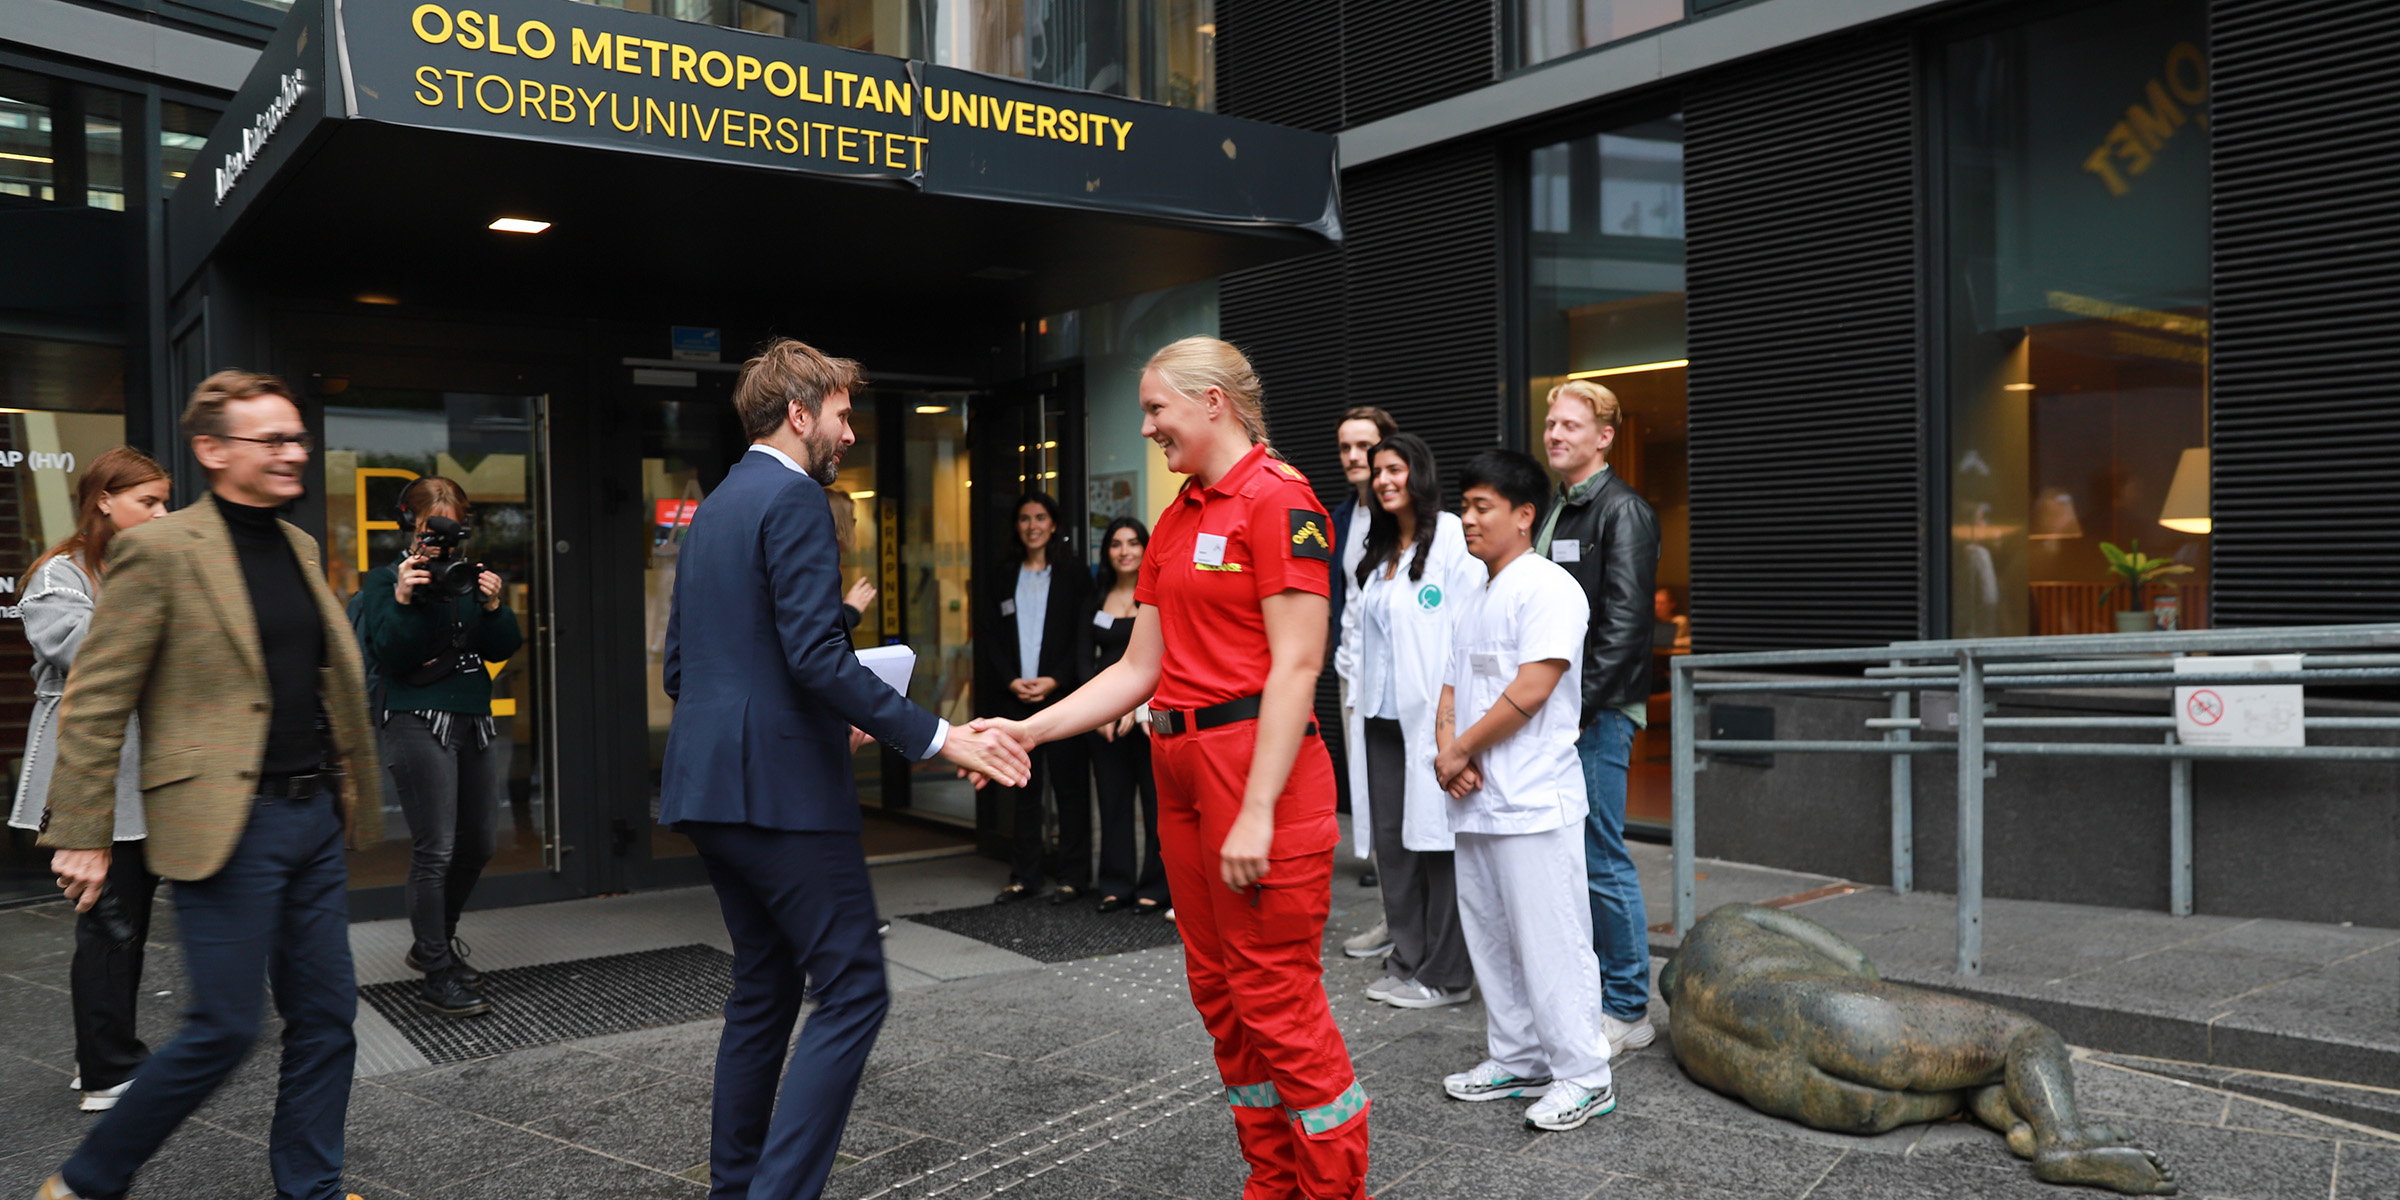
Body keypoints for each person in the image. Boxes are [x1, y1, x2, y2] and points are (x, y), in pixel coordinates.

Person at [976, 336, 1370, 1200]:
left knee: (1277, 1001)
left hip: (1253, 768)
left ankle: (1334, 1190)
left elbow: (1300, 665)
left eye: (1157, 409)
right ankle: (1271, 1184)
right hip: (1182, 768)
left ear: (1213, 404)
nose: (1148, 426)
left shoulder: (1282, 501)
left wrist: (1260, 809)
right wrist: (1028, 732)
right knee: (1222, 1000)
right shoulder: (1180, 515)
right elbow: (1133, 671)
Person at [658, 337, 1026, 1200]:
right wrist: (938, 737)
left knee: (765, 988)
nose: (850, 433)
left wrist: (818, 713)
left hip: (711, 790)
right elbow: (818, 657)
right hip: (782, 794)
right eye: (842, 413)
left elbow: (686, 669)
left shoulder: (713, 508)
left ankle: (735, 1187)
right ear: (798, 412)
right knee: (855, 988)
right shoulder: (793, 501)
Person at [38, 370, 383, 1200]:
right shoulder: (159, 550)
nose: (293, 453)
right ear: (212, 449)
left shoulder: (298, 547)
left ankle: (312, 1188)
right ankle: (87, 1180)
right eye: (272, 440)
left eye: (297, 437)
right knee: (226, 1027)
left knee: (328, 1019)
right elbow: (96, 699)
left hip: (312, 816)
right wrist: (83, 830)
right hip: (227, 819)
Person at [1433, 447, 1617, 1133]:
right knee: (1492, 935)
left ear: (1524, 514)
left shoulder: (1548, 586)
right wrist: (1447, 749)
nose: (1468, 520)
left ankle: (1585, 1073)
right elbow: (1451, 682)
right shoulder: (1475, 591)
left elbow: (1533, 690)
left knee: (1553, 940)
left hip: (1535, 798)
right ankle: (1517, 1057)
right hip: (1476, 797)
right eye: (1465, 506)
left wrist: (1459, 749)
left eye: (1482, 508)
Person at [6, 447, 171, 1113]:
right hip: (90, 774)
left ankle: (101, 1052)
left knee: (122, 917)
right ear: (104, 499)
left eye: (164, 501)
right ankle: (107, 1070)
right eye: (148, 502)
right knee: (107, 920)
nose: (162, 513)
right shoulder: (58, 576)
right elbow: (86, 653)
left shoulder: (134, 566)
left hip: (138, 772)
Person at [356, 476, 523, 1018]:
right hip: (414, 717)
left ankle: (435, 944)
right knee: (436, 849)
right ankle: (435, 970)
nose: (441, 544)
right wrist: (406, 596)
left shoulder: (465, 577)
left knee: (479, 844)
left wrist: (495, 606)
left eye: (451, 530)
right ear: (412, 525)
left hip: (472, 716)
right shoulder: (384, 582)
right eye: (432, 531)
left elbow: (503, 646)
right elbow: (393, 654)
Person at [1535, 379, 1661, 1055]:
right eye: (1551, 423)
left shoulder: (1623, 512)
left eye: (1571, 426)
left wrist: (1573, 712)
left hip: (1596, 713)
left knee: (1601, 856)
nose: (1555, 434)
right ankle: (1598, 993)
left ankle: (1629, 1007)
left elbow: (1624, 627)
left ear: (1604, 437)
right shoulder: (1562, 510)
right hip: (1562, 711)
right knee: (1572, 857)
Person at [1341, 433, 1480, 1010]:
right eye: (1377, 472)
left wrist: (1458, 729)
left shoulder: (1449, 535)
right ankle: (1407, 958)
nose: (1383, 479)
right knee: (1395, 846)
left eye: (1394, 468)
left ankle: (1447, 974)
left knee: (1439, 844)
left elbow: (1468, 628)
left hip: (1431, 722)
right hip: (1379, 719)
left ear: (1417, 474)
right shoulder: (1378, 552)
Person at [980, 492, 1094, 905]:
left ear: (1054, 524)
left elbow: (1081, 637)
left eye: (1040, 518)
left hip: (1061, 699)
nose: (1032, 525)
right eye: (1025, 518)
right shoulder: (1003, 574)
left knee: (1070, 789)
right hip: (1014, 700)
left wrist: (1055, 679)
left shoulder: (1075, 575)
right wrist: (1011, 680)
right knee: (1024, 790)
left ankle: (1073, 877)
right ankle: (1024, 877)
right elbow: (990, 635)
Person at [1328, 406, 1397, 901]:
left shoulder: (1405, 512)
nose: (1354, 456)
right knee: (1361, 767)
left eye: (1365, 447)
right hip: (1350, 664)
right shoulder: (1339, 518)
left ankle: (1398, 859)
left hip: (1398, 668)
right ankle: (1376, 856)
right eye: (1346, 447)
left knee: (1400, 768)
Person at [1087, 517, 1167, 914]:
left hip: (1149, 716)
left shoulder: (1156, 596)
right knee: (1112, 800)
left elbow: (1161, 658)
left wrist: (1134, 708)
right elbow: (1085, 657)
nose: (1125, 551)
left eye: (1133, 543)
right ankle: (1115, 883)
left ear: (1145, 548)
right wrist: (1098, 710)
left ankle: (1156, 884)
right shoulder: (1095, 596)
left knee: (1156, 802)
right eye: (1116, 544)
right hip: (1102, 720)